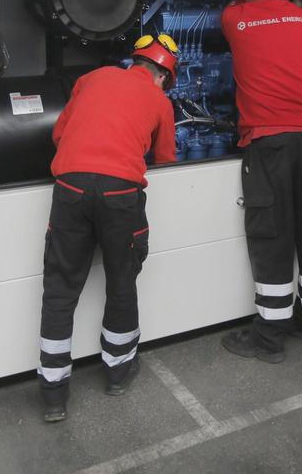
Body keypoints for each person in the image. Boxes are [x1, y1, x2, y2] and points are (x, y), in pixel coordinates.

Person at [37, 34, 178, 422]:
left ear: (134, 61)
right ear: (164, 77)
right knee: (120, 282)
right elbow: (165, 157)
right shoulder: (160, 101)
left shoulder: (93, 78)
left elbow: (60, 134)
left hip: (70, 186)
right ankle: (117, 372)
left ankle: (53, 393)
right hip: (121, 194)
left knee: (60, 289)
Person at [218, 0, 302, 364]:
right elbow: (289, 8)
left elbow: (231, 8)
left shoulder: (232, 19)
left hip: (268, 142)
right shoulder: (300, 15)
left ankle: (271, 336)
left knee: (272, 235)